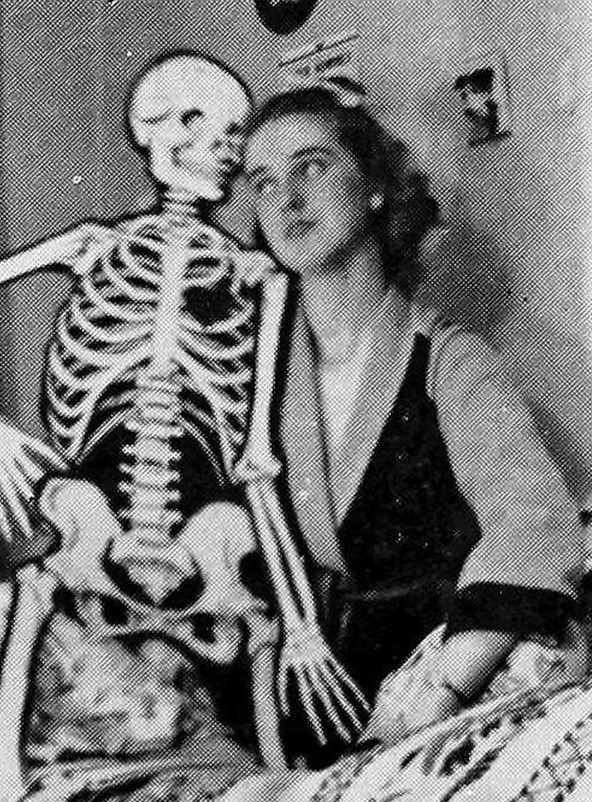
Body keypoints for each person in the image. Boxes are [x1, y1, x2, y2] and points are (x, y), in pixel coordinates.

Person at [241, 87, 587, 761]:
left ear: (374, 187)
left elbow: (534, 525)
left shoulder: (450, 360)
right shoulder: (254, 378)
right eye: (263, 182)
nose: (286, 199)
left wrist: (441, 691)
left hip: (448, 674)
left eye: (311, 167)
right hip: (312, 685)